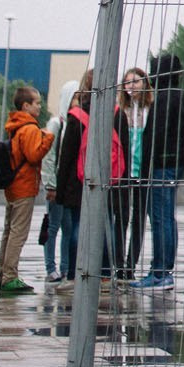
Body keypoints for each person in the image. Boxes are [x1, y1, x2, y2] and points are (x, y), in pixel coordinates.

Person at [53, 70, 122, 286]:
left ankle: (75, 275)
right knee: (107, 226)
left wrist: (61, 190)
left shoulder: (77, 115)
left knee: (78, 227)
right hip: (109, 180)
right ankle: (104, 274)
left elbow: (67, 156)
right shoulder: (117, 113)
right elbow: (124, 150)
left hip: (79, 181)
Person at [135, 53, 184, 289]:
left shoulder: (164, 99)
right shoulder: (182, 97)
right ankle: (163, 269)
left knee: (160, 217)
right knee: (167, 216)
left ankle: (160, 272)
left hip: (161, 164)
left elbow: (154, 136)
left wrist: (146, 167)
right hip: (175, 163)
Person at [0, 84, 52, 295]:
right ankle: (10, 276)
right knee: (18, 233)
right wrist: (48, 138)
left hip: (13, 186)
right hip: (24, 186)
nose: (40, 106)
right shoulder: (29, 128)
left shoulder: (15, 126)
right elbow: (34, 155)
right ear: (26, 105)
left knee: (8, 232)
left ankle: (3, 274)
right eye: (37, 103)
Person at [109, 66, 151, 282]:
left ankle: (131, 263)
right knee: (121, 218)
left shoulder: (149, 110)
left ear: (145, 83)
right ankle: (119, 264)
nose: (131, 86)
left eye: (135, 81)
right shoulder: (119, 111)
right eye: (128, 83)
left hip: (143, 172)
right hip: (123, 172)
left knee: (139, 219)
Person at [38, 80, 76, 283]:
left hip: (69, 187)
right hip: (56, 186)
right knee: (53, 227)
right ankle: (50, 268)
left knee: (68, 228)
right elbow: (49, 156)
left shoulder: (74, 122)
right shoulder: (56, 124)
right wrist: (50, 184)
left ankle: (65, 267)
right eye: (75, 97)